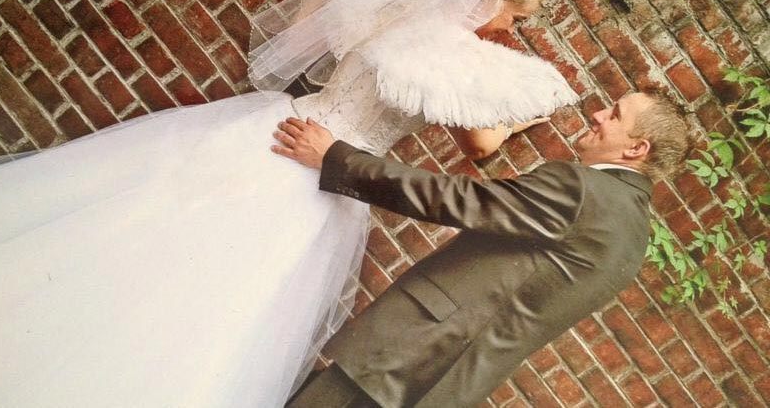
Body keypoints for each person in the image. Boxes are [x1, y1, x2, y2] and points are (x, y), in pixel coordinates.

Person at [0, 0, 575, 407]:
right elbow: (480, 145)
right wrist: (523, 117)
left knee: (152, 233)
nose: (506, 30)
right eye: (512, 17)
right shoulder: (463, 64)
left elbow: (311, 36)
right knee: (222, 302)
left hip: (271, 133)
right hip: (320, 177)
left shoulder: (387, 2)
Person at [276, 91, 692, 407]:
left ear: (637, 148)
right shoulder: (634, 239)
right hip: (446, 385)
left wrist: (337, 159)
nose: (598, 114)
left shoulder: (585, 191)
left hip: (402, 354)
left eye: (615, 114)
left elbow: (453, 198)